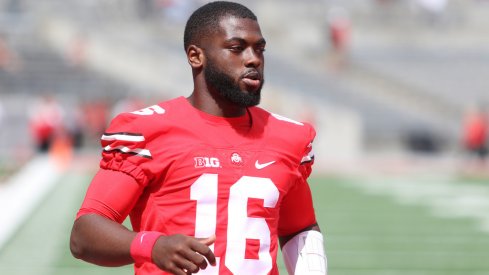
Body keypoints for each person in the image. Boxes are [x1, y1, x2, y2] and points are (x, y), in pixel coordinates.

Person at [70, 2, 327, 275]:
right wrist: (152, 246)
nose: (253, 59)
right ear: (196, 56)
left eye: (259, 48)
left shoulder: (286, 136)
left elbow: (299, 227)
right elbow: (84, 234)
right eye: (237, 48)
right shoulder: (149, 130)